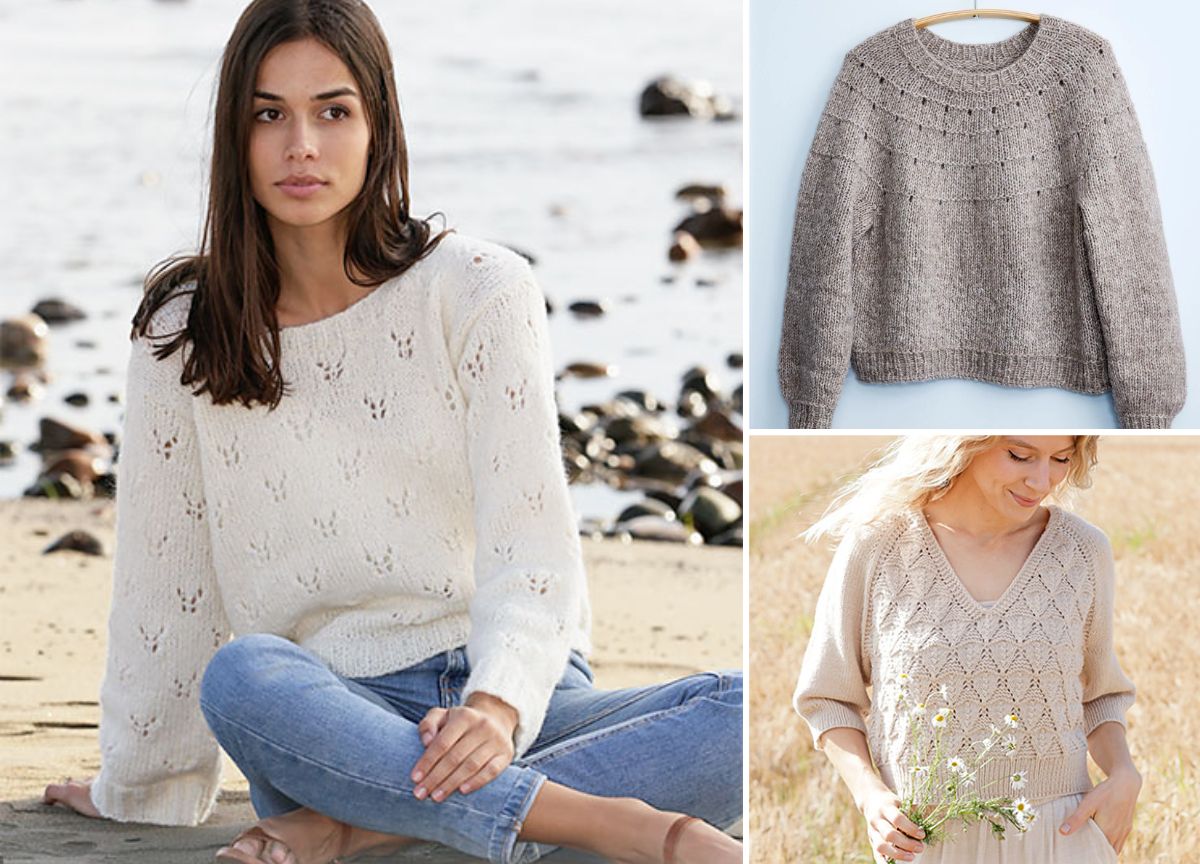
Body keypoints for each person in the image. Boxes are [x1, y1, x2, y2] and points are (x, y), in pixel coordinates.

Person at [40, 1, 742, 862]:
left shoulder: (480, 288)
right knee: (242, 673)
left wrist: (494, 707)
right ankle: (609, 826)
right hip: (328, 718)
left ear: (378, 125)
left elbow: (534, 550)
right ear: (235, 135)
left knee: (757, 708)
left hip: (513, 700)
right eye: (270, 114)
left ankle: (363, 829)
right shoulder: (185, 331)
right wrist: (140, 785)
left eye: (333, 111)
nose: (302, 145)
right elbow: (165, 581)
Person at [793, 435, 1139, 863]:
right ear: (966, 443)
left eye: (1061, 459)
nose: (1041, 480)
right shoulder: (878, 547)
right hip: (925, 840)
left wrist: (1124, 773)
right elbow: (827, 698)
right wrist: (871, 796)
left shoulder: (1082, 551)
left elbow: (1100, 696)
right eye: (1019, 455)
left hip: (1060, 835)